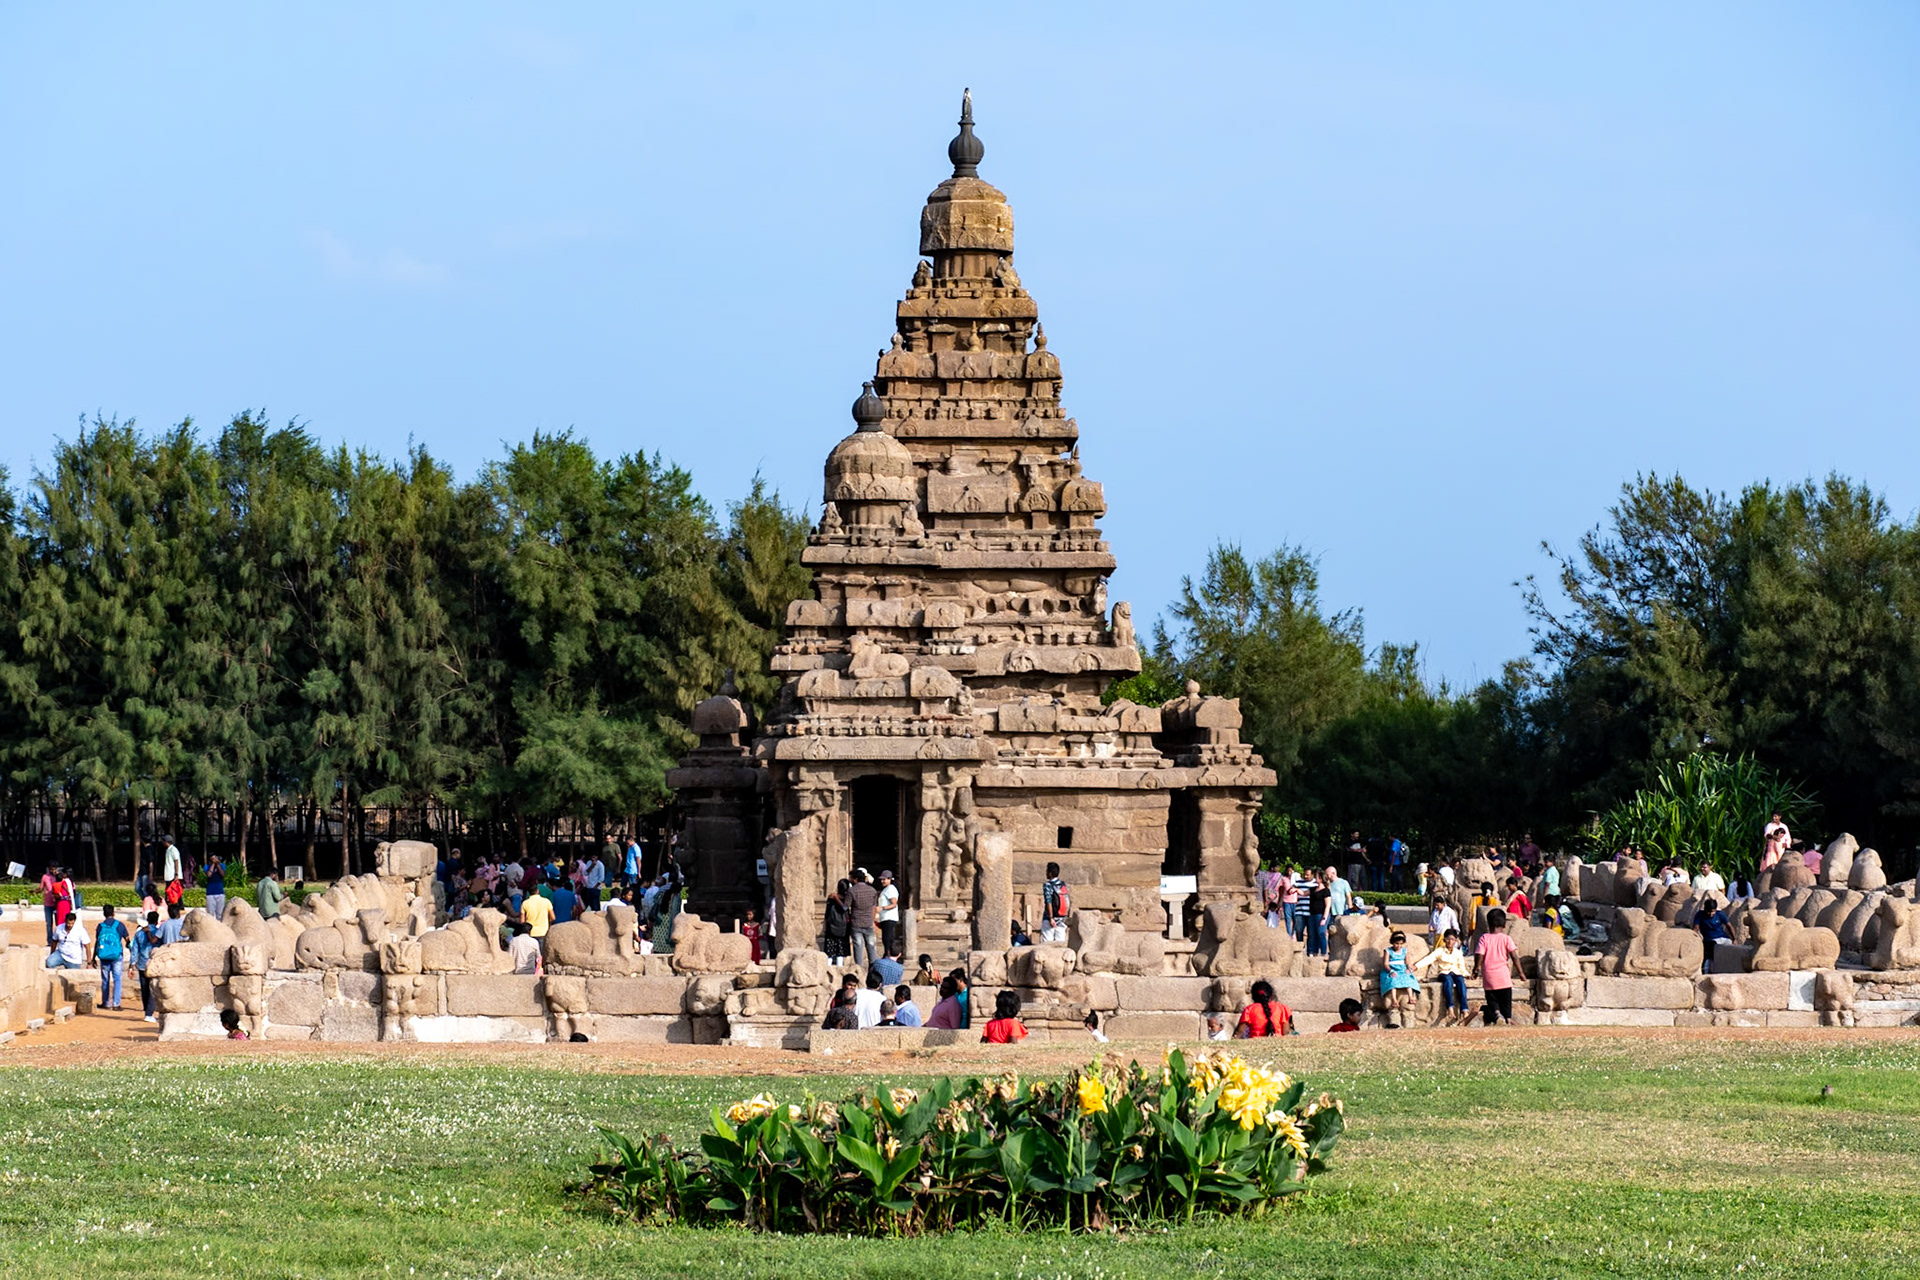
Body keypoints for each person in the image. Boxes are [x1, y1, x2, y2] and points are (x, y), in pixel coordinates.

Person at [1473, 908, 1519, 1026]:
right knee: (1506, 998)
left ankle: (1497, 1014)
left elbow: (1479, 955)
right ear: (1504, 924)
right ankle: (1508, 1018)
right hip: (1503, 975)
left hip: (1489, 975)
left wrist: (1476, 969)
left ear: (1488, 923)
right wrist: (1520, 971)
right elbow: (1514, 955)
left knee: (1491, 998)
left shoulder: (1484, 938)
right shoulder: (1506, 938)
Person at [1415, 927, 1470, 1026]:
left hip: (1456, 972)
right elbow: (1429, 959)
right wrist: (1417, 966)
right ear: (1444, 940)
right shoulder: (1440, 951)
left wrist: (1467, 974)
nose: (1450, 941)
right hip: (1444, 973)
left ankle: (1465, 1010)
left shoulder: (1458, 953)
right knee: (1448, 982)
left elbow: (1461, 967)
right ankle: (1450, 1008)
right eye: (1448, 939)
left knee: (1461, 983)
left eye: (1452, 939)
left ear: (1456, 941)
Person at [91, 904, 130, 1011]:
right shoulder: (119, 925)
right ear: (113, 913)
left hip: (103, 957)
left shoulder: (100, 926)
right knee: (117, 979)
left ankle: (106, 1002)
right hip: (117, 956)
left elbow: (97, 942)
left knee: (105, 979)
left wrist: (93, 957)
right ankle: (116, 1004)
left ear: (104, 913)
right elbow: (127, 939)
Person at [1380, 931, 1421, 1028]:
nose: (1398, 946)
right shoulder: (1388, 951)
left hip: (1402, 969)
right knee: (1393, 981)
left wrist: (1409, 968)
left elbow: (1407, 962)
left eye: (1400, 944)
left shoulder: (1404, 951)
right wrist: (1390, 971)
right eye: (1396, 943)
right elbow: (1385, 963)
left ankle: (1411, 997)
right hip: (1392, 969)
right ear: (1392, 942)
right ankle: (1394, 999)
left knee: (1408, 979)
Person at [131, 910, 163, 1022]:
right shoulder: (159, 932)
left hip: (142, 963)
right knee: (153, 989)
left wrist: (132, 963)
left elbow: (134, 949)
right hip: (154, 964)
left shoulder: (139, 933)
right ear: (157, 920)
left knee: (144, 988)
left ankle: (146, 1009)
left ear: (147, 920)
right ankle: (149, 1012)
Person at [847, 869, 879, 968]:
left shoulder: (852, 890)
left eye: (851, 878)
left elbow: (846, 906)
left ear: (855, 879)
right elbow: (874, 907)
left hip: (856, 922)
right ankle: (873, 968)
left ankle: (859, 969)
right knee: (871, 946)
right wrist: (872, 920)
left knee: (858, 947)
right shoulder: (872, 890)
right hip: (868, 922)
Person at [1696, 897, 1730, 972]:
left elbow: (1729, 926)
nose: (1711, 914)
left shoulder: (1720, 914)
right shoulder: (1700, 915)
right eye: (1709, 912)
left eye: (1713, 912)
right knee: (1710, 952)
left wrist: (1734, 939)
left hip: (1723, 938)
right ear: (1705, 909)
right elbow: (1696, 927)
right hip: (1710, 940)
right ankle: (1707, 970)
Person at [823, 880, 852, 965]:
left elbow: (827, 913)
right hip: (844, 928)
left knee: (830, 951)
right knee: (841, 951)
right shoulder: (848, 899)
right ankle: (840, 968)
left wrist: (825, 926)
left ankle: (828, 968)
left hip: (831, 927)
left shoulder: (831, 898)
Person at [1041, 862, 1071, 942]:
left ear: (1050, 873)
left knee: (1047, 943)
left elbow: (1048, 901)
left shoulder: (1048, 885)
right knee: (1060, 943)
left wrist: (1051, 918)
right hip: (1062, 918)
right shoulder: (1064, 885)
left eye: (1047, 871)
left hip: (1050, 918)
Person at [1306, 870, 1331, 957]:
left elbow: (1328, 905)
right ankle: (1313, 951)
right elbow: (1304, 893)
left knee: (1321, 933)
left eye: (1316, 876)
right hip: (1312, 915)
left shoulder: (1326, 891)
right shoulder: (1313, 889)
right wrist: (1296, 890)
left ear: (1320, 878)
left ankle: (1323, 952)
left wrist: (1324, 918)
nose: (1315, 878)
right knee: (1312, 934)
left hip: (1321, 915)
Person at [876, 869, 901, 958]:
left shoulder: (890, 889)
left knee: (888, 939)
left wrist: (882, 908)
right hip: (885, 918)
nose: (882, 881)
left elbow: (894, 904)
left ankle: (888, 955)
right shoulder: (886, 889)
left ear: (890, 879)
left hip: (889, 918)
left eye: (884, 879)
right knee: (886, 939)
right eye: (881, 879)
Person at [39, 863, 63, 946]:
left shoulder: (59, 877)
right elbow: (41, 888)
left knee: (59, 923)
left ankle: (59, 939)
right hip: (48, 903)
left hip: (57, 903)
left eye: (54, 869)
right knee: (49, 923)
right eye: (51, 869)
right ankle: (50, 941)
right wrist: (36, 891)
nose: (53, 870)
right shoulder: (45, 877)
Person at [204, 854, 227, 924]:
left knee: (220, 914)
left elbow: (223, 874)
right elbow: (209, 875)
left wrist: (218, 864)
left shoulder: (222, 865)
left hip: (220, 892)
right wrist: (213, 864)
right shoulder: (206, 866)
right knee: (210, 914)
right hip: (210, 893)